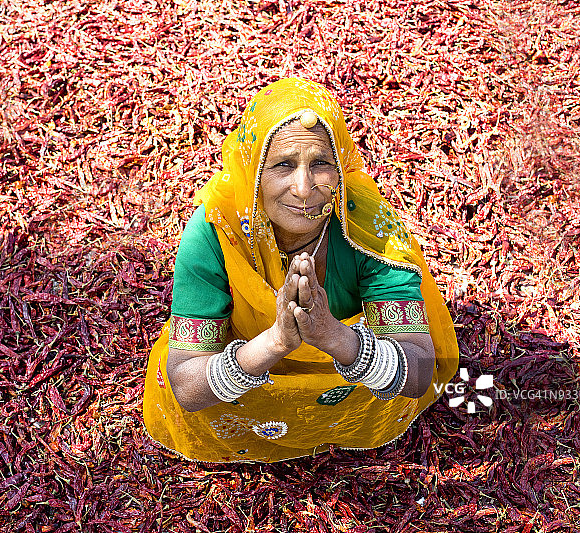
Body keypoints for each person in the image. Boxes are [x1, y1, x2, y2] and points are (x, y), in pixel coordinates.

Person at [142, 78, 458, 463]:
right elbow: (188, 386)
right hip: (248, 377)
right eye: (283, 165)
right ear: (253, 171)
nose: (304, 187)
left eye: (321, 163)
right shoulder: (217, 230)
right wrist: (276, 341)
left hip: (346, 382)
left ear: (342, 168)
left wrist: (334, 336)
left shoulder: (368, 230)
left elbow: (420, 370)